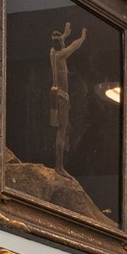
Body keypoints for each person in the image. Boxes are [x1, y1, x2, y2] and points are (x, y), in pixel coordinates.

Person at [47, 22, 87, 172]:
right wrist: (82, 37)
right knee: (61, 131)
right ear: (60, 44)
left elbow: (58, 42)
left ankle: (59, 164)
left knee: (62, 129)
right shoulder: (61, 55)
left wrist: (64, 35)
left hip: (55, 94)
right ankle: (59, 166)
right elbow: (74, 46)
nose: (63, 42)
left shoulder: (53, 52)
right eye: (62, 41)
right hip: (62, 97)